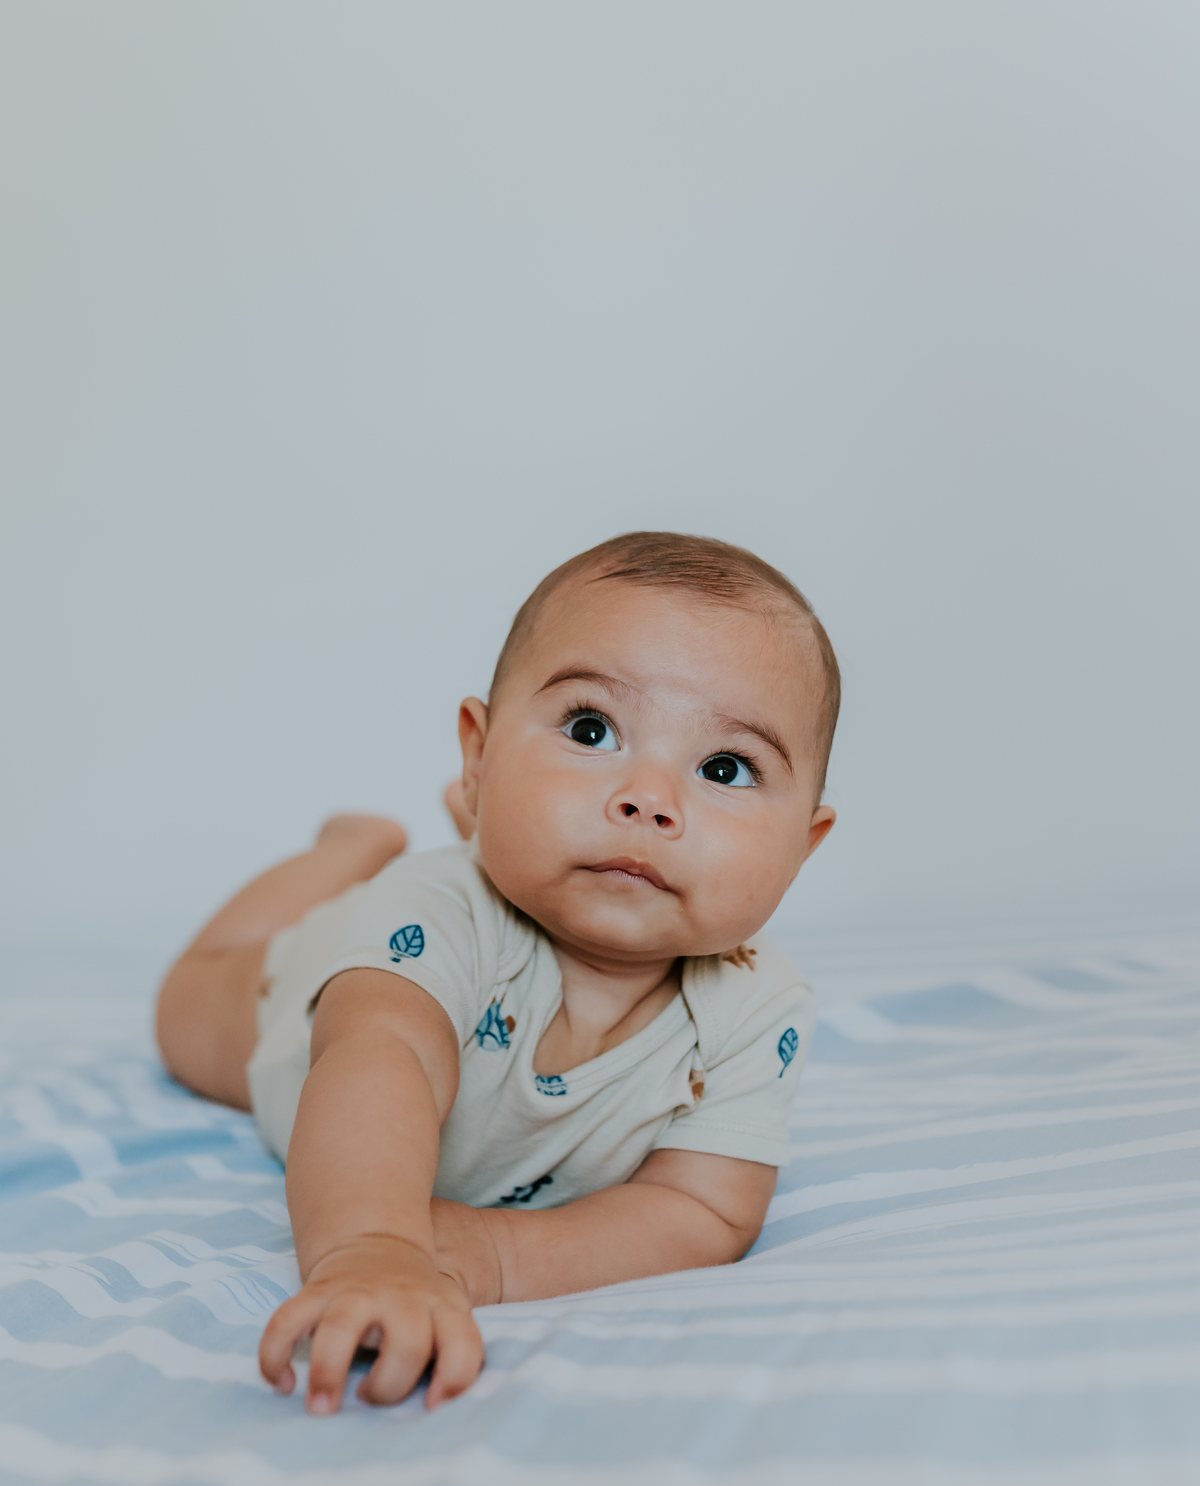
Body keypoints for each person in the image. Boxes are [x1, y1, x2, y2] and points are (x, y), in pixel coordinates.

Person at [155, 532, 839, 1414]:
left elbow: (704, 1211)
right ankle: (351, 851)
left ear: (803, 847)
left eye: (724, 768)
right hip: (295, 999)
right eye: (592, 730)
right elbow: (382, 1056)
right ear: (477, 752)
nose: (648, 799)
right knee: (185, 1005)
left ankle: (493, 825)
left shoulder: (759, 1007)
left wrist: (494, 1254)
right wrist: (370, 1247)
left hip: (475, 905)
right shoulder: (439, 913)